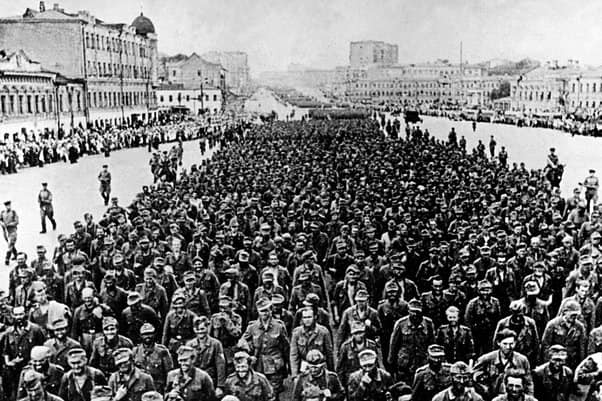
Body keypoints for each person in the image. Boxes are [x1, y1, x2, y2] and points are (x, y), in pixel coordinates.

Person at [0, 200, 19, 265]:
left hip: (12, 231)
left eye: (9, 205)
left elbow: (16, 222)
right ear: (5, 206)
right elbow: (0, 220)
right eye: (7, 205)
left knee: (10, 244)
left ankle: (7, 258)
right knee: (10, 244)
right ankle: (16, 255)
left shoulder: (13, 212)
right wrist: (2, 224)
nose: (8, 207)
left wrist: (9, 224)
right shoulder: (2, 213)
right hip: (5, 232)